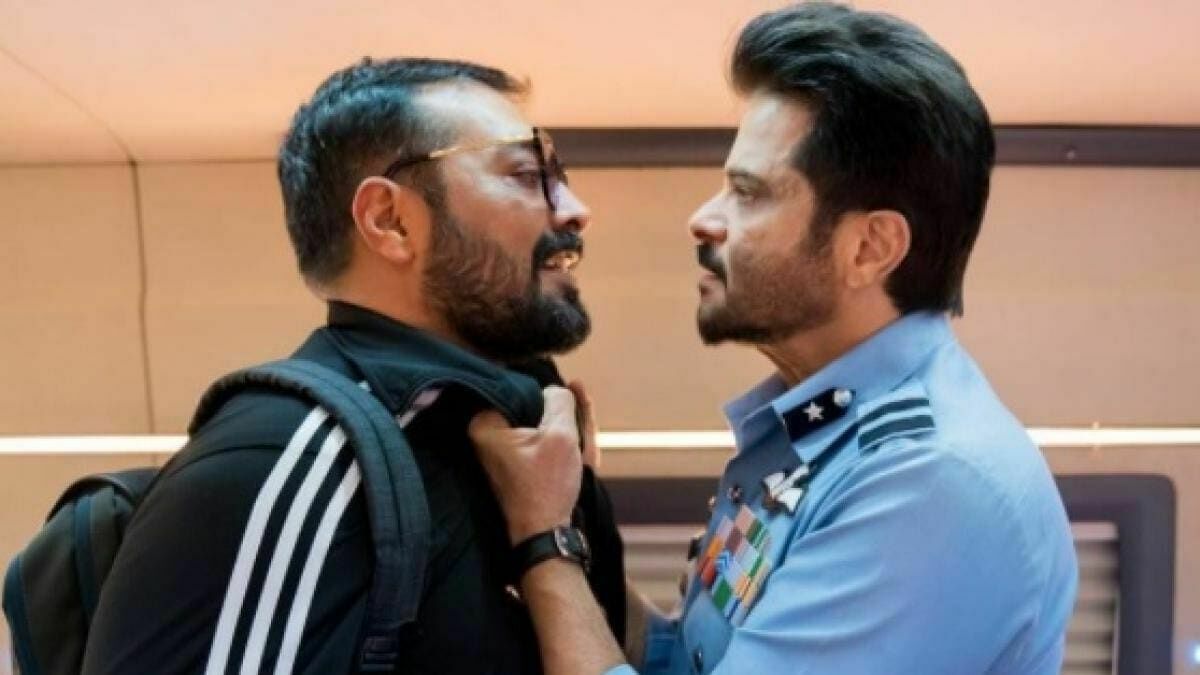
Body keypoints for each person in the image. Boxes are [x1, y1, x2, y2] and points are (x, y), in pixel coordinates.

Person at [469, 4, 1079, 674]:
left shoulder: (927, 483)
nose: (704, 219)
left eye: (749, 193)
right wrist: (571, 511)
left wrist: (544, 542)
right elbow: (687, 659)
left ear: (870, 247)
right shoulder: (823, 430)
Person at [82, 57, 627, 674]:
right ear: (390, 221)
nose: (576, 209)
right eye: (527, 175)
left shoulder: (515, 454)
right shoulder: (288, 455)